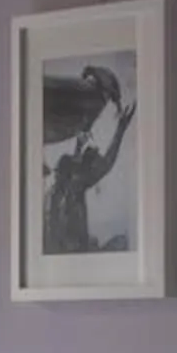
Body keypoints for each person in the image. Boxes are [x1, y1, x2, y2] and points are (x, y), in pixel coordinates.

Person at [42, 64, 138, 255]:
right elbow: (102, 164)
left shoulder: (70, 186)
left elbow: (106, 163)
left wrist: (120, 131)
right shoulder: (60, 188)